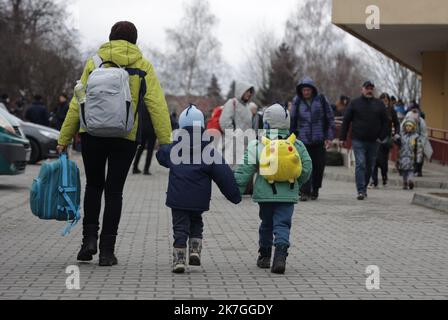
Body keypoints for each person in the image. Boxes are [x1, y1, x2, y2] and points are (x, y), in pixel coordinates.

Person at [57, 21, 172, 266]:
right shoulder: (143, 66)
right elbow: (157, 104)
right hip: (126, 136)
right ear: (135, 41)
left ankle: (88, 241)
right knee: (114, 191)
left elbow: (78, 101)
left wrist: (64, 138)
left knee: (94, 186)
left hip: (92, 134)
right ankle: (107, 251)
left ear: (110, 37)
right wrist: (166, 141)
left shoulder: (94, 62)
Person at [156, 105, 241, 273]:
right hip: (199, 200)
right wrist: (235, 195)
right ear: (202, 127)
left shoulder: (173, 149)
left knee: (180, 228)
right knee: (196, 223)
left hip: (178, 199)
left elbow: (160, 156)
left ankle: (179, 259)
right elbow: (223, 174)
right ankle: (195, 250)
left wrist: (166, 143)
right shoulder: (209, 151)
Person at [235, 104, 312, 274]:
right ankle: (280, 257)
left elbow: (245, 168)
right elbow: (307, 167)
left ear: (266, 123)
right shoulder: (296, 144)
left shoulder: (259, 144)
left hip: (265, 195)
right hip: (288, 195)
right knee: (283, 225)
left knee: (266, 225)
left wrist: (236, 189)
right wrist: (297, 183)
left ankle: (264, 256)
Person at [340, 81, 388, 200]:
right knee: (360, 164)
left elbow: (386, 122)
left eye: (371, 88)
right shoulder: (355, 103)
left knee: (369, 166)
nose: (369, 90)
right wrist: (342, 137)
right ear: (362, 89)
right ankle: (360, 190)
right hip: (358, 139)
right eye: (367, 88)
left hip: (374, 141)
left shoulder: (379, 104)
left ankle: (364, 187)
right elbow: (346, 120)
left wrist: (381, 137)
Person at [290, 77, 335, 201]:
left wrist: (329, 137)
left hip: (319, 139)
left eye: (308, 90)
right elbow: (293, 121)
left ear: (312, 90)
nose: (306, 92)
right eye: (304, 90)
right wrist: (291, 138)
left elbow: (330, 118)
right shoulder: (297, 101)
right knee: (304, 166)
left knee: (318, 166)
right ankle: (304, 191)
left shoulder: (321, 100)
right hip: (303, 140)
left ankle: (315, 189)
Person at [219, 82, 255, 166]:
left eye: (250, 92)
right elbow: (224, 122)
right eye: (247, 91)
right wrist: (235, 136)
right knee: (231, 171)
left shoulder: (247, 107)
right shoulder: (232, 103)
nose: (249, 94)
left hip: (245, 147)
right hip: (232, 146)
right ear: (241, 91)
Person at [370, 93, 400, 188]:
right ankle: (374, 181)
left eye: (386, 100)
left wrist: (396, 133)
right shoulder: (375, 109)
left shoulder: (391, 110)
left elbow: (397, 123)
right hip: (374, 138)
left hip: (386, 139)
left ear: (388, 101)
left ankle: (384, 177)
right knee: (374, 160)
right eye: (382, 100)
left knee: (383, 161)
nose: (384, 102)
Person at [394, 119, 423, 190]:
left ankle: (410, 181)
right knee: (404, 171)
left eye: (410, 126)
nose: (408, 127)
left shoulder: (416, 137)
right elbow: (398, 144)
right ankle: (405, 182)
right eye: (407, 126)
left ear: (413, 127)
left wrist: (419, 157)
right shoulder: (402, 136)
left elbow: (419, 148)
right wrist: (396, 139)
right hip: (402, 156)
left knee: (411, 170)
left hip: (411, 157)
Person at [403, 107, 432, 177]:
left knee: (419, 155)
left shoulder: (421, 122)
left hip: (419, 138)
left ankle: (418, 171)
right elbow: (402, 131)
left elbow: (424, 134)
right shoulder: (406, 120)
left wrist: (420, 143)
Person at [132, 106, 157, 175]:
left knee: (140, 149)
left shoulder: (142, 102)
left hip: (142, 129)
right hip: (152, 130)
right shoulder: (154, 103)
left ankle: (135, 167)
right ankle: (146, 169)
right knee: (150, 150)